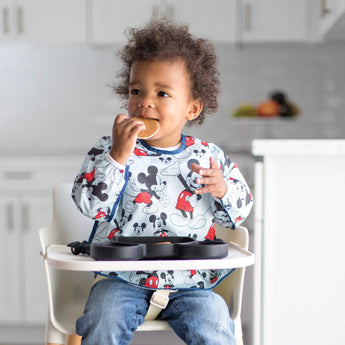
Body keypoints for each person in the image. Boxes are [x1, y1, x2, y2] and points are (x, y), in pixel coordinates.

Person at [72, 19, 253, 345]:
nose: (145, 102)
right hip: (123, 277)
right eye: (136, 91)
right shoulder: (109, 147)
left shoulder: (208, 156)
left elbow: (237, 215)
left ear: (192, 107)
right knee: (103, 319)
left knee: (214, 323)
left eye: (162, 93)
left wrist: (222, 189)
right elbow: (91, 207)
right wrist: (117, 157)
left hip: (192, 279)